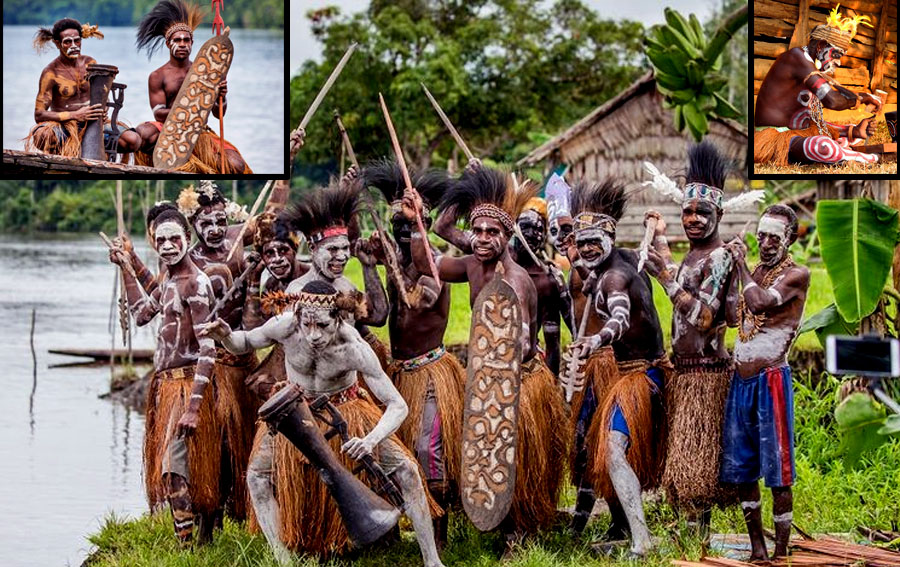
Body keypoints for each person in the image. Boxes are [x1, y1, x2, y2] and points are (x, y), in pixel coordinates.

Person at [199, 280, 444, 566]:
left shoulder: (353, 347)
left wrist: (370, 440)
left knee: (407, 471)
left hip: (347, 412)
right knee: (256, 477)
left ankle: (432, 561)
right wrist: (226, 336)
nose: (314, 335)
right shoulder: (286, 326)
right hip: (293, 413)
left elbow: (397, 405)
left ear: (338, 318)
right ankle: (284, 560)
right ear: (299, 315)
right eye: (307, 325)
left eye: (323, 326)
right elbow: (244, 342)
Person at [406, 162, 568, 550]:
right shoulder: (474, 265)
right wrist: (419, 222)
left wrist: (497, 397)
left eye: (490, 232)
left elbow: (517, 346)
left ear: (506, 236)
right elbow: (427, 262)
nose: (480, 237)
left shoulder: (513, 279)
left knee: (519, 460)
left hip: (518, 381)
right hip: (486, 378)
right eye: (475, 230)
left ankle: (519, 535)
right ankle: (491, 519)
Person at [642, 142, 763, 531]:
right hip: (685, 374)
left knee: (700, 464)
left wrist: (664, 281)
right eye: (688, 211)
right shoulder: (695, 256)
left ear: (720, 214)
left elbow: (706, 317)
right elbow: (679, 275)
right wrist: (658, 236)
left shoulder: (720, 257)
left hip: (708, 376)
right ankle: (695, 532)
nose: (693, 218)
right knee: (688, 462)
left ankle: (699, 532)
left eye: (702, 213)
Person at [363, 159, 465, 548]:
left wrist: (417, 224)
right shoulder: (395, 262)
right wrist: (369, 263)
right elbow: (378, 314)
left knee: (429, 451)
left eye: (411, 226)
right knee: (394, 451)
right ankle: (397, 527)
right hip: (398, 373)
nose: (404, 233)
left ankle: (437, 534)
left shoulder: (435, 263)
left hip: (431, 373)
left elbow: (423, 298)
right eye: (398, 227)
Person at [567, 179, 670, 558]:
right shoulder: (625, 257)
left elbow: (620, 315)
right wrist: (658, 234)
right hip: (643, 370)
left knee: (612, 450)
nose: (588, 248)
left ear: (609, 237)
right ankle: (634, 530)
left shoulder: (613, 276)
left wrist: (596, 341)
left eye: (595, 241)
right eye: (583, 242)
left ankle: (640, 539)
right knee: (611, 451)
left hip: (641, 375)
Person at [108, 207, 220, 544]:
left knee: (174, 469)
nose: (168, 245)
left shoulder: (196, 284)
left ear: (187, 239)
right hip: (166, 387)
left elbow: (209, 349)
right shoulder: (170, 278)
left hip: (187, 387)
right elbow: (143, 314)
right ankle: (189, 544)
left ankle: (185, 549)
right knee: (173, 469)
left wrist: (193, 407)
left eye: (174, 239)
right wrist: (126, 268)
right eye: (161, 241)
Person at [722, 205, 810, 561]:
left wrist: (741, 266)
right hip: (740, 381)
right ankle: (757, 546)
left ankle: (782, 550)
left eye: (775, 237)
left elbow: (758, 303)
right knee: (743, 468)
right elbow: (732, 317)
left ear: (789, 239)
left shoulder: (797, 275)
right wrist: (730, 272)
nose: (766, 242)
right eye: (762, 235)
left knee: (778, 469)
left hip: (770, 379)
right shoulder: (755, 271)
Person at [281, 172, 391, 369]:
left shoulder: (345, 286)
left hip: (347, 385)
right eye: (332, 249)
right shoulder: (296, 291)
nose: (341, 256)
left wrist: (369, 267)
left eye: (345, 248)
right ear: (313, 249)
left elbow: (378, 317)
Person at [754, 5, 882, 166]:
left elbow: (811, 122)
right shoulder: (796, 58)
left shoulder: (811, 69)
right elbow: (833, 101)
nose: (839, 62)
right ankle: (859, 157)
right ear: (821, 46)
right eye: (836, 54)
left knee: (829, 141)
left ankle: (846, 154)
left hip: (798, 134)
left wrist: (853, 130)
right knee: (824, 146)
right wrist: (862, 98)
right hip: (773, 138)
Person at [133, 0, 251, 173]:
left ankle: (199, 160)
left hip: (200, 131)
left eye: (186, 40)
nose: (182, 44)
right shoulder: (158, 76)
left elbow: (219, 113)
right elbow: (158, 113)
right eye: (177, 40)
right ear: (168, 44)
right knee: (141, 133)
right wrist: (187, 112)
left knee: (236, 166)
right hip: (168, 127)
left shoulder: (208, 71)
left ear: (192, 42)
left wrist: (221, 96)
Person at [26, 19, 142, 158]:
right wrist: (75, 115)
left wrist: (103, 109)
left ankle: (89, 147)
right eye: (68, 42)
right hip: (65, 127)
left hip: (93, 123)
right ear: (57, 43)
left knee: (133, 141)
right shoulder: (51, 72)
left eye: (77, 40)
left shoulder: (90, 63)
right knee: (42, 137)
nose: (74, 45)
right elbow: (39, 115)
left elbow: (101, 93)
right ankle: (72, 148)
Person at [511, 197, 571, 375]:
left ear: (545, 236)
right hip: (487, 360)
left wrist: (550, 387)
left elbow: (553, 342)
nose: (530, 234)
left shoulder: (546, 280)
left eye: (538, 229)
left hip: (524, 366)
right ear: (513, 227)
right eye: (525, 227)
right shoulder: (493, 264)